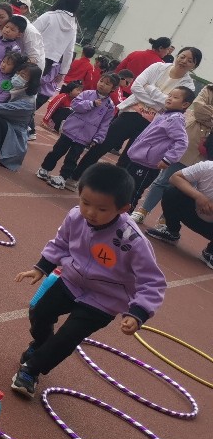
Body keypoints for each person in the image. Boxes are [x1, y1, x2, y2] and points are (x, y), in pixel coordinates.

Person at [10, 163, 166, 398]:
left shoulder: (132, 240)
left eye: (101, 209)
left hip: (105, 300)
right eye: (85, 202)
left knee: (68, 337)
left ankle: (31, 371)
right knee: (39, 313)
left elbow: (152, 281)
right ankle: (42, 345)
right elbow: (61, 242)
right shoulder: (76, 216)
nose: (90, 213)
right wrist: (42, 267)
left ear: (123, 208)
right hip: (72, 281)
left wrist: (138, 313)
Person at [72, 47, 202, 179]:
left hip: (152, 124)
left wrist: (149, 88)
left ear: (194, 66)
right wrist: (159, 101)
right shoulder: (158, 67)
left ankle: (112, 188)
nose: (184, 61)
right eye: (182, 56)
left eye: (190, 60)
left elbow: (169, 104)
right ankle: (76, 175)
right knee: (103, 144)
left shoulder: (188, 86)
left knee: (128, 159)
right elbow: (136, 87)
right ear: (177, 56)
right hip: (131, 113)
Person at [134, 83, 213, 227]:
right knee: (164, 179)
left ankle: (166, 219)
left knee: (189, 188)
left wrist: (208, 112)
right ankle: (143, 210)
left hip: (209, 150)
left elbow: (203, 111)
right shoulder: (209, 88)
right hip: (190, 140)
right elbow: (198, 109)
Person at [35, 73, 118, 189]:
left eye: (107, 84)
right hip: (70, 130)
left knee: (72, 158)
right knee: (57, 151)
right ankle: (45, 168)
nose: (102, 85)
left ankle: (62, 177)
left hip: (84, 137)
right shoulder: (87, 94)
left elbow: (105, 124)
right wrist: (91, 104)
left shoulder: (109, 106)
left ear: (113, 88)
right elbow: (75, 105)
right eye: (101, 81)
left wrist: (98, 137)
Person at [120, 87, 194, 212]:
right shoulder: (166, 114)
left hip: (147, 164)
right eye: (169, 95)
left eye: (175, 97)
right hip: (138, 158)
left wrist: (168, 159)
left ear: (185, 104)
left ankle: (126, 216)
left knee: (133, 191)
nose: (170, 98)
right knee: (125, 188)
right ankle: (117, 211)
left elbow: (182, 142)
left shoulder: (176, 119)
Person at [149, 160, 213, 268]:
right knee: (172, 192)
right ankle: (172, 231)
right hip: (193, 212)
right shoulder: (207, 167)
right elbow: (175, 177)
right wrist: (199, 197)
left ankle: (210, 252)